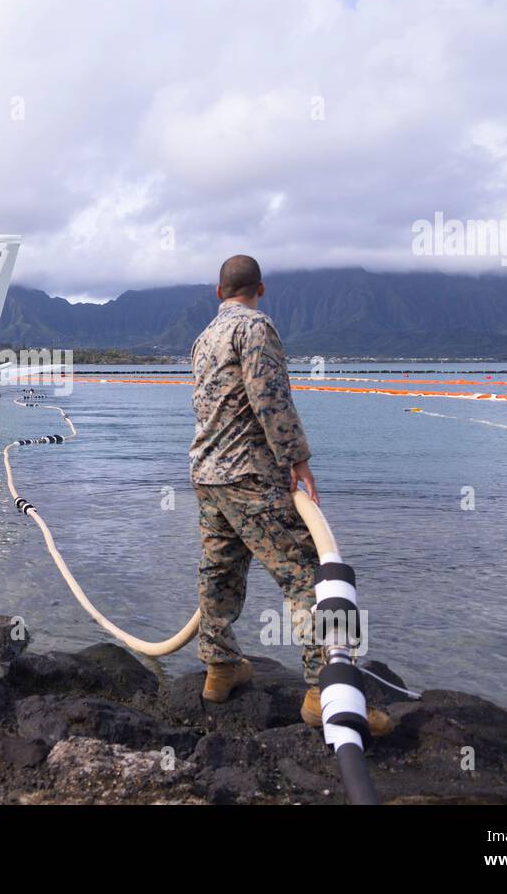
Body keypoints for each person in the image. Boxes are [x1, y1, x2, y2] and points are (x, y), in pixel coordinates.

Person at [189, 254, 391, 735]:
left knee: (219, 570)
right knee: (308, 575)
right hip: (250, 475)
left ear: (219, 293)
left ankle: (220, 668)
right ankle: (326, 690)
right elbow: (269, 397)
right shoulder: (256, 327)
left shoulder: (203, 338)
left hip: (207, 473)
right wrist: (297, 459)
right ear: (261, 288)